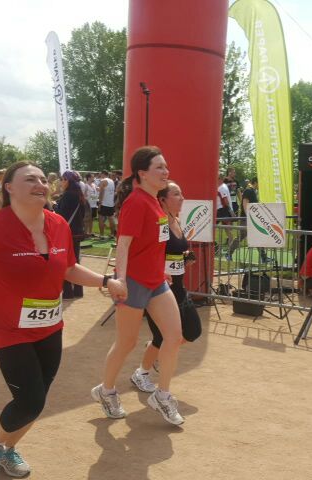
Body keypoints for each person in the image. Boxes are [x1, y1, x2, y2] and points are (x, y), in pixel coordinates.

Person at [0, 161, 126, 480]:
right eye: (29, 179)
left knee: (36, 402)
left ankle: (6, 447)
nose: (40, 183)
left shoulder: (58, 224)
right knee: (29, 401)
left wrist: (106, 281)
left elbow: (69, 268)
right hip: (8, 329)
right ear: (9, 187)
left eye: (42, 178)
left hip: (50, 326)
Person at [92, 146, 185, 426]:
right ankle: (106, 390)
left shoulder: (155, 201)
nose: (166, 171)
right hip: (133, 282)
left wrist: (161, 270)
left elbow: (154, 244)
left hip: (156, 282)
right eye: (159, 167)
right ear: (142, 173)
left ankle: (162, 395)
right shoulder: (136, 202)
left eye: (166, 166)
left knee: (174, 337)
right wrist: (120, 279)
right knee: (127, 342)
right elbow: (123, 244)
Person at [131, 180, 202, 394]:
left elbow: (174, 252)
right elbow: (149, 253)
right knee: (161, 337)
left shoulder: (176, 220)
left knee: (193, 331)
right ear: (162, 199)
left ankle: (155, 351)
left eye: (181, 193)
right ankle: (141, 374)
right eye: (176, 194)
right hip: (158, 291)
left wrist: (185, 257)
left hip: (178, 288)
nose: (182, 198)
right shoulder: (158, 224)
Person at [55, 170, 86, 299]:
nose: (61, 182)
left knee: (65, 261)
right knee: (75, 261)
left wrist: (55, 207)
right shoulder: (79, 194)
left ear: (68, 181)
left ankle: (68, 291)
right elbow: (83, 214)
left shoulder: (68, 195)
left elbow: (61, 215)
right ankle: (78, 290)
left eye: (63, 179)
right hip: (77, 231)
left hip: (67, 232)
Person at [227, 177, 269, 262]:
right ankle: (229, 253)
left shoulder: (253, 191)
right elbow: (245, 203)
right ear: (255, 182)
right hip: (246, 219)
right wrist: (249, 216)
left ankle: (263, 257)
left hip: (251, 218)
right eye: (260, 183)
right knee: (241, 237)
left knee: (256, 236)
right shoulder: (248, 190)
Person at [216, 172, 234, 251]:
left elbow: (225, 201)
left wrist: (231, 211)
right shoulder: (223, 186)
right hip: (222, 210)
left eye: (216, 178)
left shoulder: (221, 188)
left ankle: (227, 248)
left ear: (220, 179)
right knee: (227, 230)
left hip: (222, 210)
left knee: (211, 227)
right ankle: (227, 248)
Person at [98, 170, 116, 239]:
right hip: (111, 203)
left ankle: (101, 235)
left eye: (101, 174)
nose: (100, 176)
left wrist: (100, 203)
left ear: (103, 174)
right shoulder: (112, 181)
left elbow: (101, 193)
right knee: (111, 218)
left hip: (104, 203)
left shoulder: (103, 181)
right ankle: (112, 234)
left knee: (101, 219)